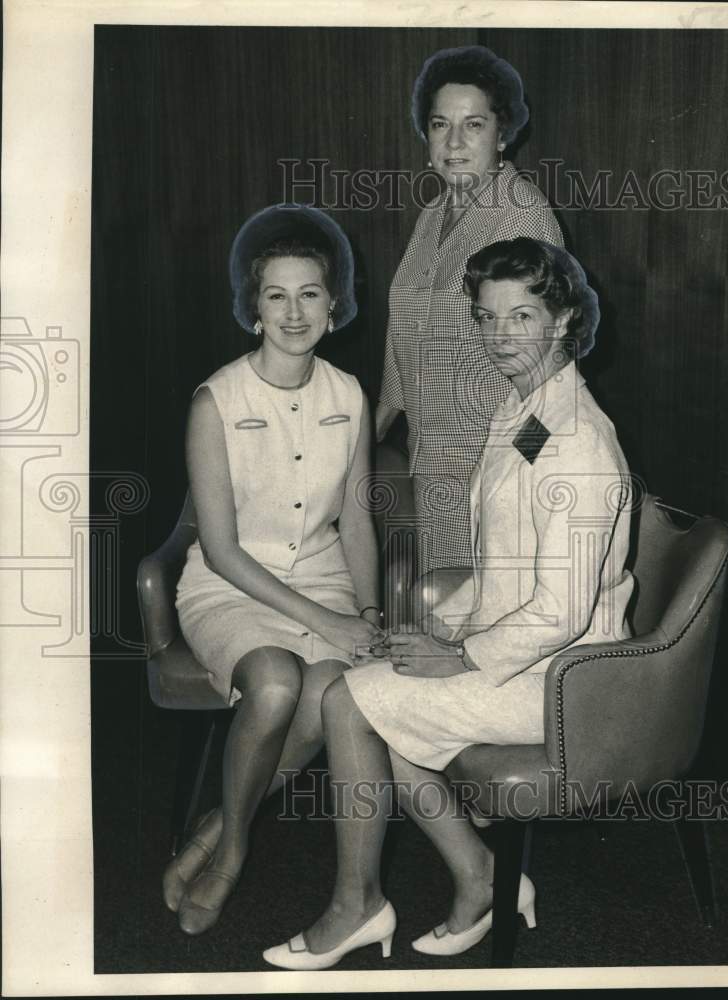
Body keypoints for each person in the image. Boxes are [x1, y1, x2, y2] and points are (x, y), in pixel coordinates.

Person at [263, 238, 634, 968]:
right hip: (524, 654)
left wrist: (456, 654)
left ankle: (357, 905)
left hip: (565, 682)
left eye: (521, 316)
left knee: (347, 702)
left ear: (560, 320)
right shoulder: (527, 409)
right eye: (487, 317)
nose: (500, 336)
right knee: (377, 693)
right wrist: (432, 629)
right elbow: (508, 564)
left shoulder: (578, 444)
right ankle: (479, 877)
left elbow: (558, 610)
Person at [165, 204, 384, 935]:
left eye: (310, 294)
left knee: (329, 691)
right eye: (276, 295)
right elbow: (221, 550)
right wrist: (327, 622)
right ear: (252, 308)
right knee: (275, 682)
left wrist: (370, 615)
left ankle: (209, 828)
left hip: (322, 580)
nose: (295, 312)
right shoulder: (215, 401)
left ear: (334, 304)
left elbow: (354, 519)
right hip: (229, 585)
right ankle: (231, 853)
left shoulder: (348, 395)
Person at [376, 44, 563, 575]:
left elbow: (550, 365)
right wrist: (367, 433)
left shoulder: (522, 220)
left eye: (473, 124)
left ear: (503, 134)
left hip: (491, 465)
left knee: (465, 623)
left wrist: (519, 483)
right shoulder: (434, 214)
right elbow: (403, 332)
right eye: (440, 124)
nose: (454, 142)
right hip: (431, 458)